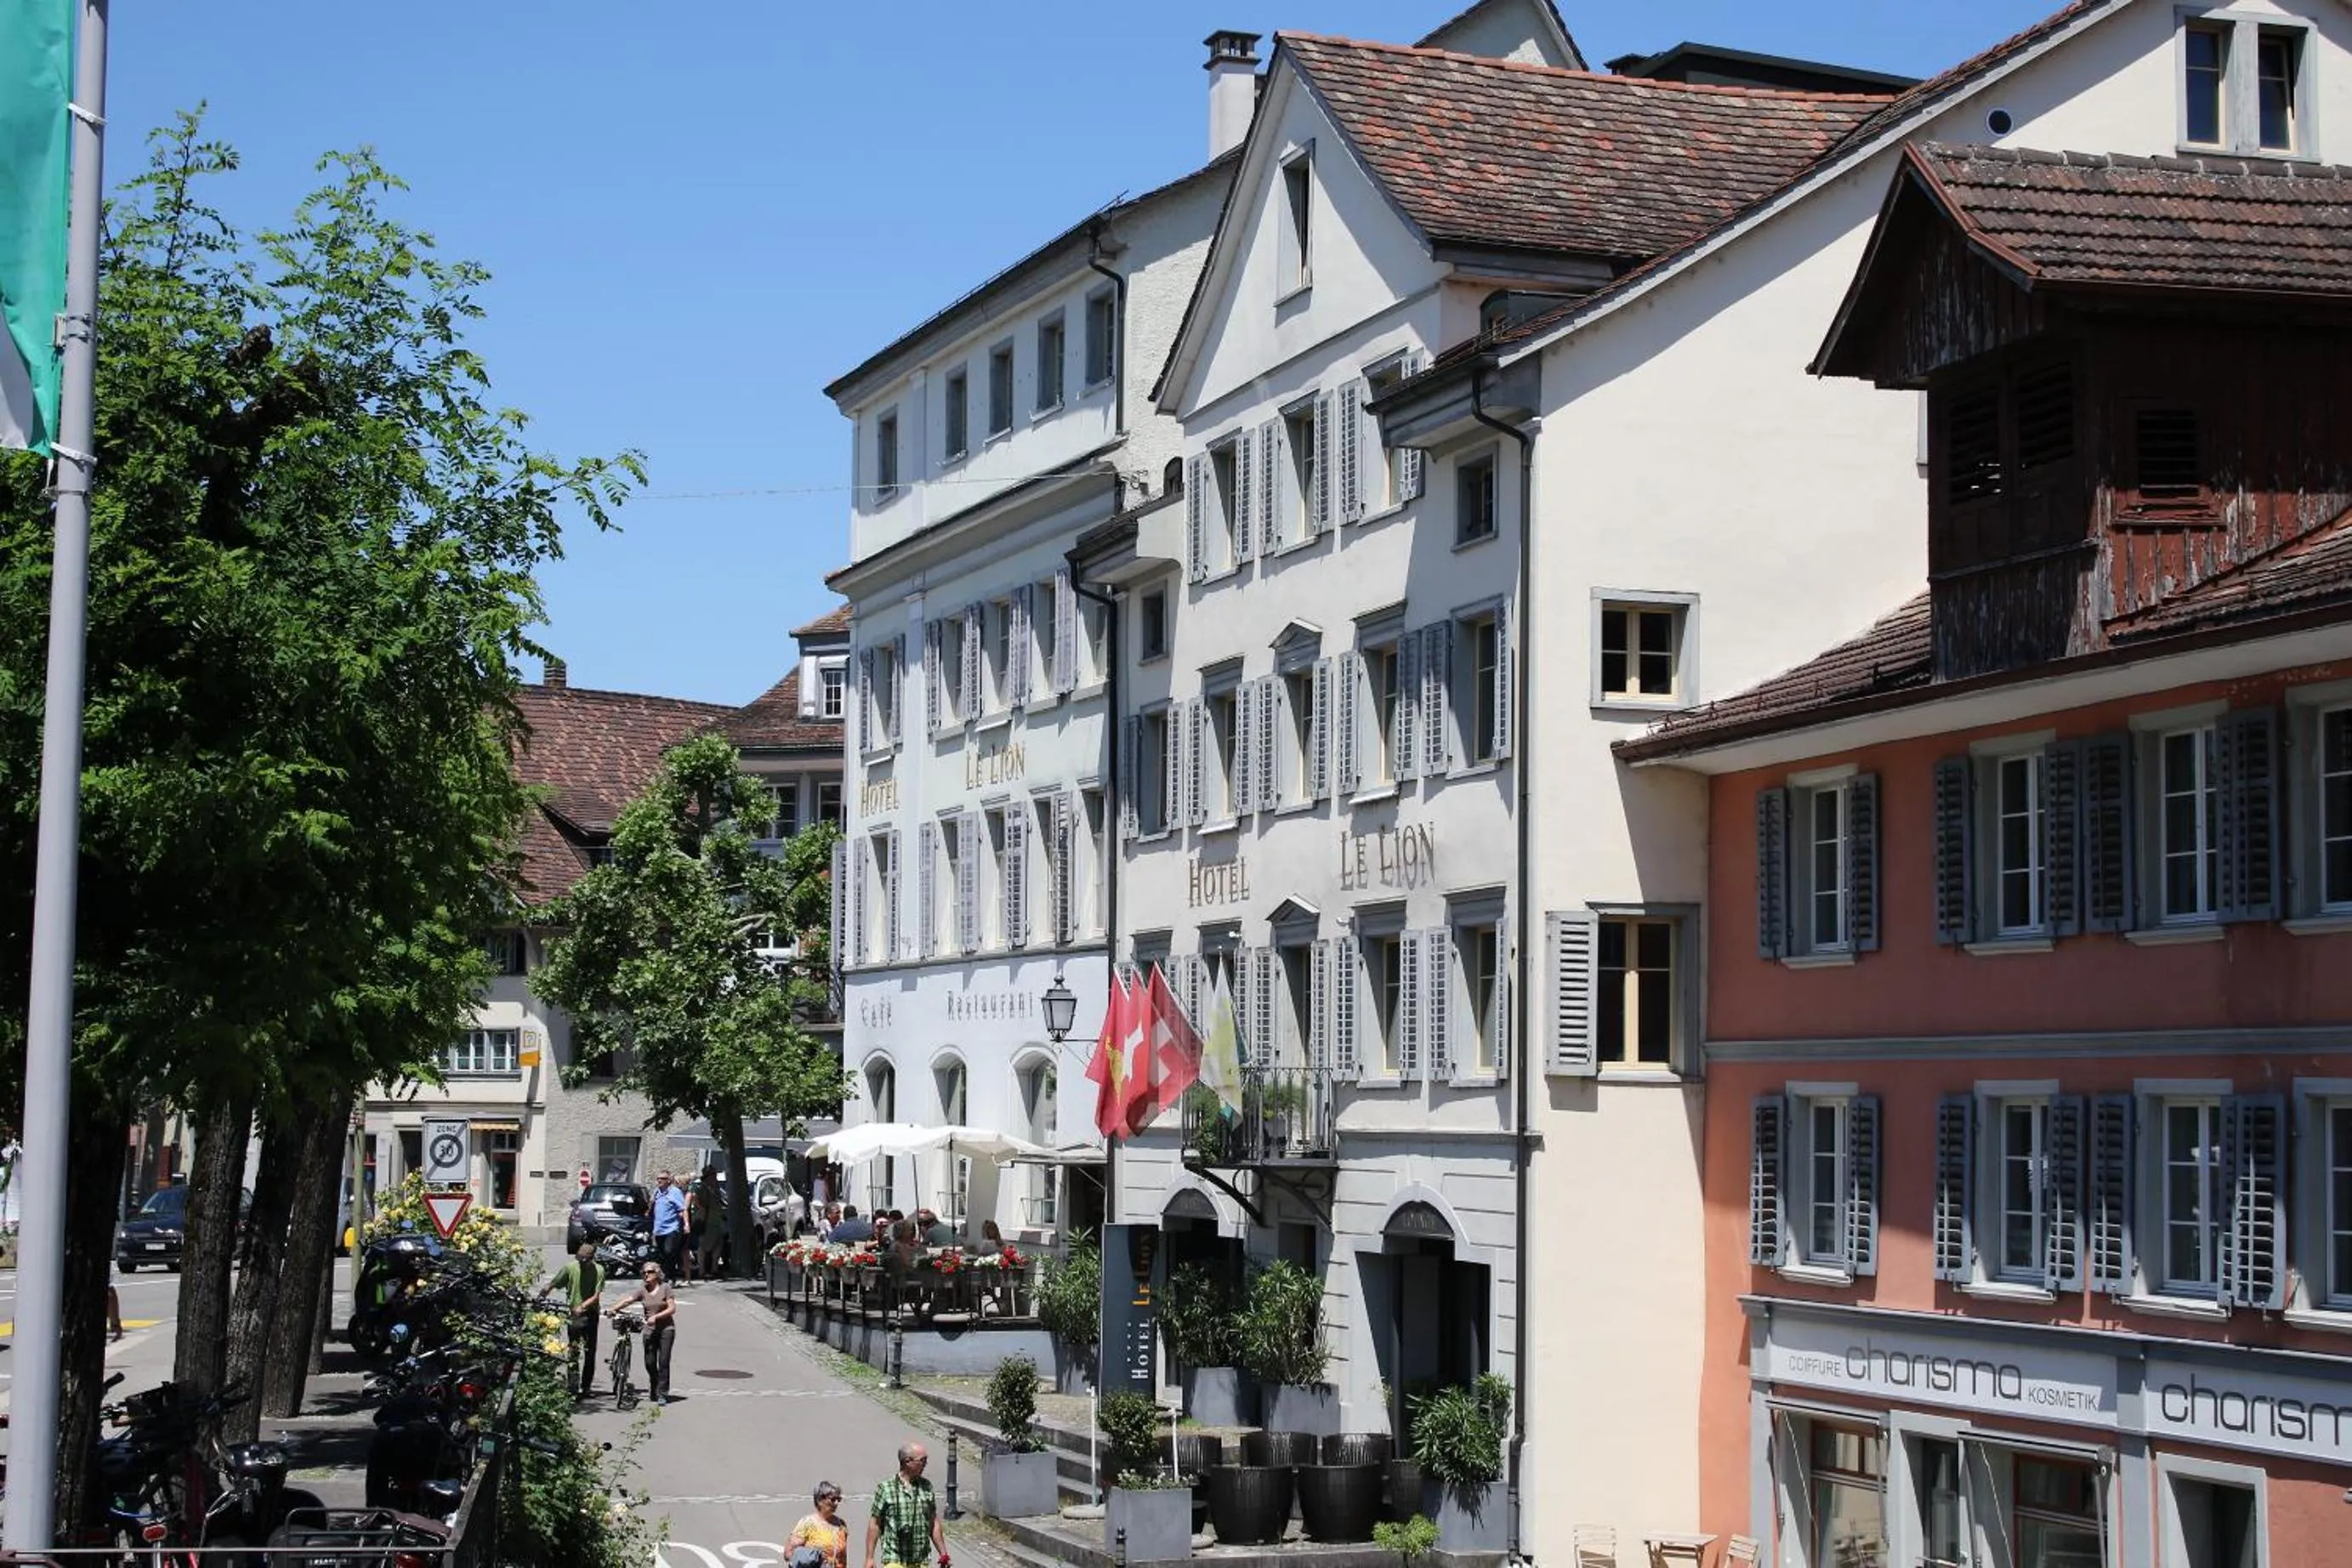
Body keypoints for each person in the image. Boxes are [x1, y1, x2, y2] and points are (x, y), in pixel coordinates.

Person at [865, 1440, 949, 1568]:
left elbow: (933, 1522)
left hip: (920, 1560)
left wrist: (943, 1554)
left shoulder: (926, 1487)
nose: (925, 1464)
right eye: (922, 1460)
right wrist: (869, 1558)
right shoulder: (886, 1489)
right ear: (907, 1461)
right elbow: (875, 1524)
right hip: (894, 1559)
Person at [608, 1259, 679, 1404]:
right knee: (650, 1362)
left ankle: (662, 1393)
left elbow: (672, 1308)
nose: (646, 1275)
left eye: (650, 1272)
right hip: (649, 1330)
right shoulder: (642, 1290)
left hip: (666, 1329)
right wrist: (613, 1308)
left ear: (657, 1274)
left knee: (663, 1361)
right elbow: (628, 1300)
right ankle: (654, 1382)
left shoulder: (665, 1288)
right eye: (644, 1272)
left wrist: (656, 1317)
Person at [544, 1240, 604, 1398]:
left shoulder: (599, 1270)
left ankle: (586, 1387)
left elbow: (596, 1296)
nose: (582, 1264)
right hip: (574, 1316)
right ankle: (572, 1386)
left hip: (590, 1314)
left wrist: (582, 1306)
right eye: (580, 1260)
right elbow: (553, 1283)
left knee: (590, 1351)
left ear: (591, 1259)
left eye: (585, 1261)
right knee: (574, 1350)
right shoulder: (570, 1268)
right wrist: (541, 1296)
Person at [788, 1481, 850, 1568]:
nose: (836, 1503)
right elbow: (789, 1553)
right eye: (833, 1499)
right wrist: (813, 1558)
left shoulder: (841, 1525)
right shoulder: (808, 1523)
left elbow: (843, 1558)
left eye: (838, 1499)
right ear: (820, 1500)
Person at [650, 1169, 689, 1281]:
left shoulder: (675, 1192)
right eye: (658, 1179)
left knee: (669, 1252)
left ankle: (671, 1277)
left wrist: (686, 1224)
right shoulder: (657, 1192)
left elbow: (683, 1209)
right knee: (662, 1255)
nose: (659, 1181)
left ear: (669, 1180)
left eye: (662, 1179)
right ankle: (665, 1277)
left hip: (671, 1228)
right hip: (659, 1229)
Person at [692, 1166, 724, 1283]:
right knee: (704, 1246)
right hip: (707, 1221)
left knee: (718, 1245)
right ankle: (702, 1270)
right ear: (708, 1177)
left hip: (717, 1221)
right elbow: (696, 1199)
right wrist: (702, 1209)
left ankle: (714, 1269)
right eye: (713, 1175)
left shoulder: (716, 1188)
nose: (715, 1177)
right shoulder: (702, 1188)